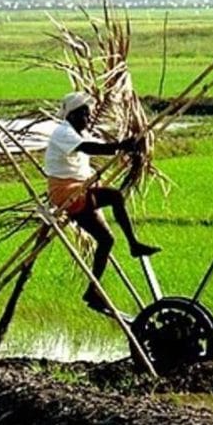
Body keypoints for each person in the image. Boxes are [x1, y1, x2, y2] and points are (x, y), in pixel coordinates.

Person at [45, 92, 160, 315]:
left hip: (79, 189)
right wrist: (121, 146)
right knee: (115, 197)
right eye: (84, 114)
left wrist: (126, 148)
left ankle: (93, 291)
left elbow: (97, 147)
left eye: (88, 115)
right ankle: (134, 245)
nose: (88, 118)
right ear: (73, 114)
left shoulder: (80, 132)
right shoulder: (63, 132)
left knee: (106, 240)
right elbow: (89, 148)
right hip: (65, 192)